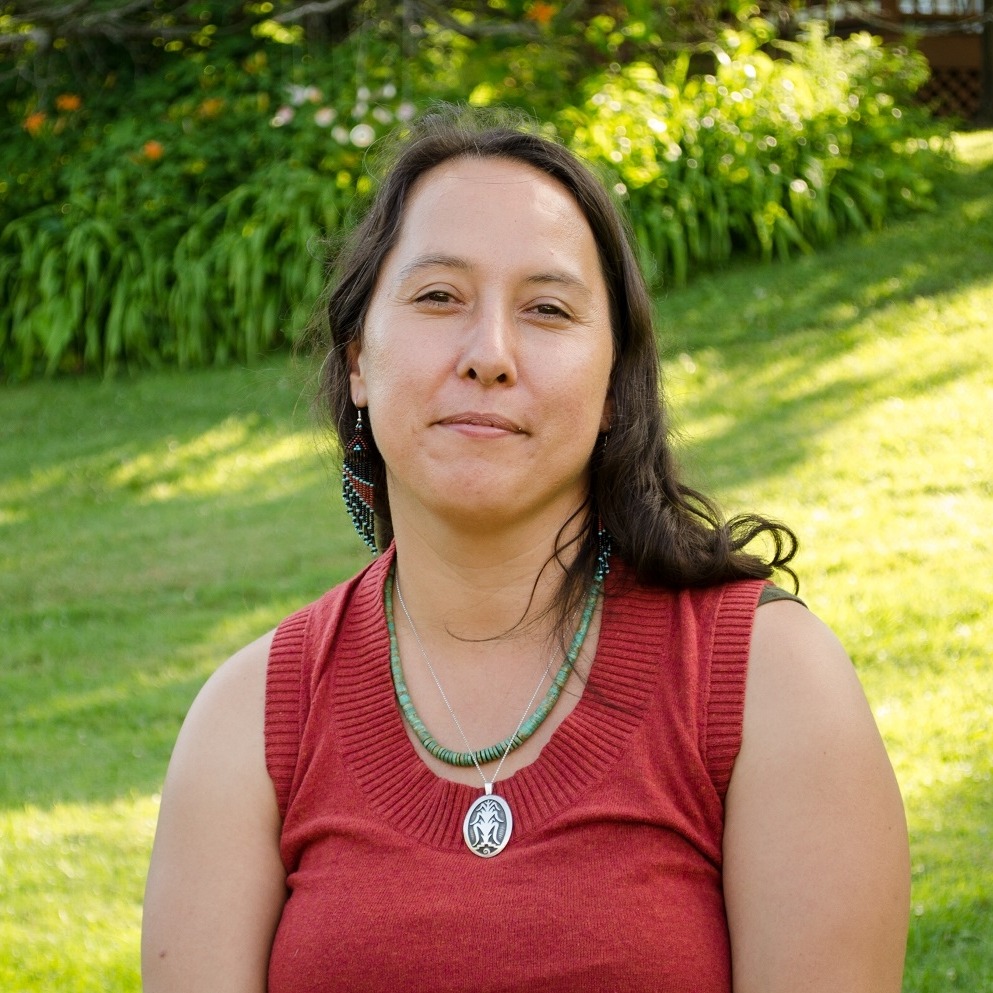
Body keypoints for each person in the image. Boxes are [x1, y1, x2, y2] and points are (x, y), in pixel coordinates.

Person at [141, 107, 910, 992]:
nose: (490, 355)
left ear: (616, 385)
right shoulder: (247, 721)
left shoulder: (769, 685)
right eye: (438, 297)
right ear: (359, 361)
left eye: (546, 309)